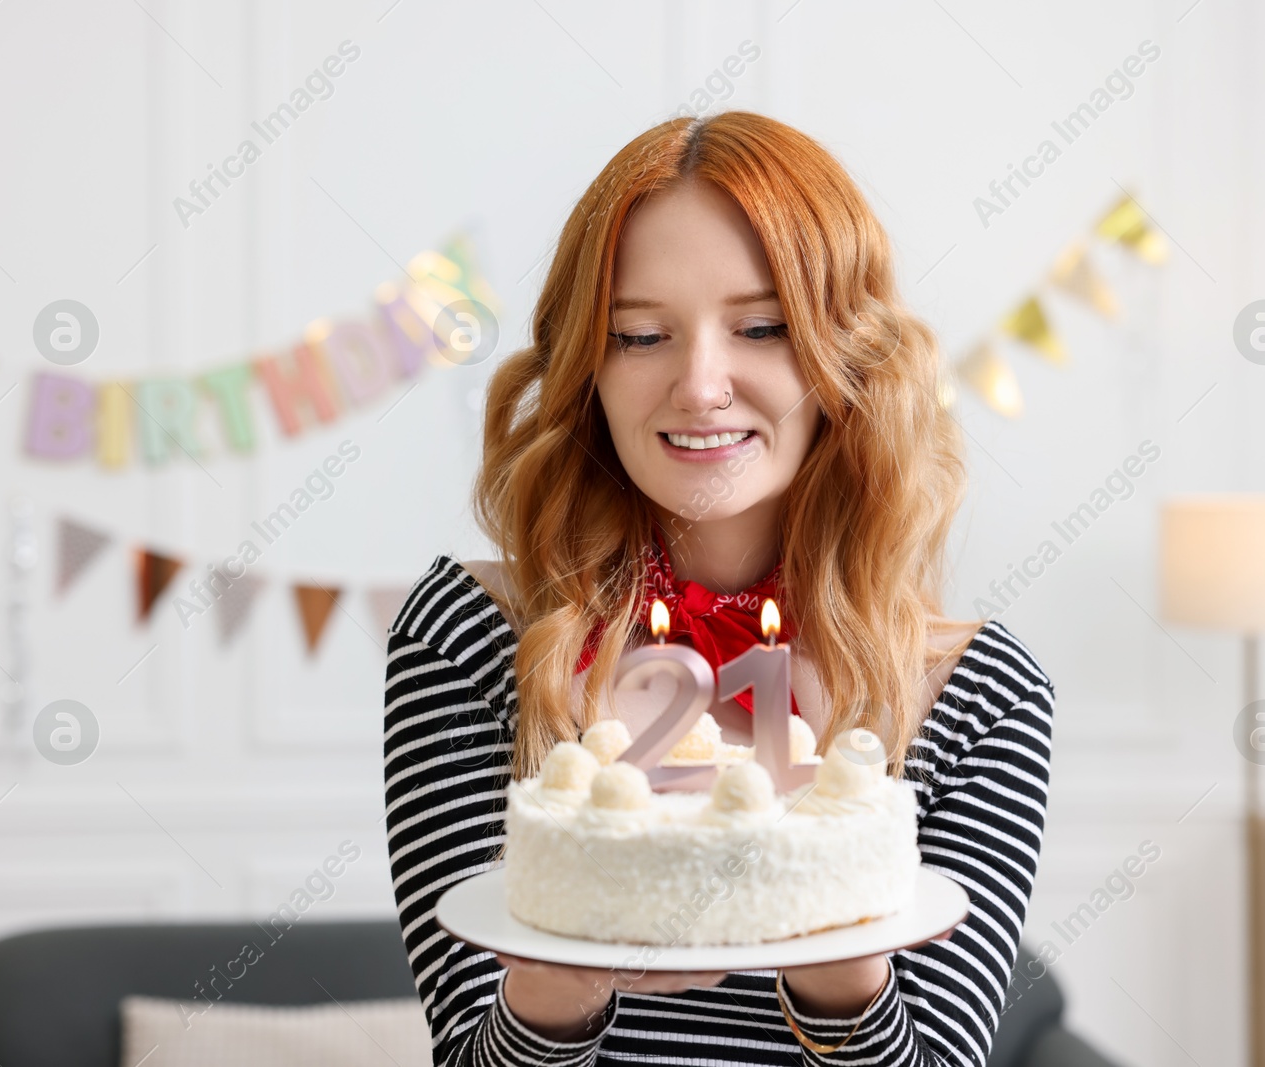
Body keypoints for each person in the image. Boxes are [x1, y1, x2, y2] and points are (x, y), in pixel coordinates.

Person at [383, 110, 1054, 1066]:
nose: (701, 384)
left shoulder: (984, 693)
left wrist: (831, 955)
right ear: (588, 369)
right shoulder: (471, 636)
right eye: (641, 334)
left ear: (848, 358)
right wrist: (556, 991)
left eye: (763, 327)